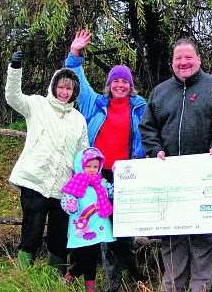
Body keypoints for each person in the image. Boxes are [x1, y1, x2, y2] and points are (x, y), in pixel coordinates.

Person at [139, 38, 212, 292]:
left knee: (203, 236)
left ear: (198, 59)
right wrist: (155, 150)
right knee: (172, 235)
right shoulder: (160, 91)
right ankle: (173, 286)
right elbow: (147, 127)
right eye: (178, 58)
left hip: (204, 176)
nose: (183, 62)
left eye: (188, 57)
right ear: (172, 63)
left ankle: (200, 287)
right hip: (170, 177)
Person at [64, 30, 146, 292]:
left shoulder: (140, 107)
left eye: (124, 82)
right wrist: (75, 53)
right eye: (115, 81)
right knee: (104, 226)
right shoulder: (94, 104)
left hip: (127, 173)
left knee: (125, 226)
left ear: (130, 85)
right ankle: (113, 282)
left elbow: (149, 133)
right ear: (109, 84)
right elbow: (76, 77)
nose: (119, 85)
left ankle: (132, 275)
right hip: (98, 176)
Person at [5, 51, 89, 272]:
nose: (64, 92)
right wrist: (15, 69)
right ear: (54, 86)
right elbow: (13, 97)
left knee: (59, 233)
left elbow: (82, 155)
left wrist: (79, 186)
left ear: (74, 92)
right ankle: (23, 272)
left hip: (64, 187)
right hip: (35, 180)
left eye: (69, 89)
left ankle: (55, 276)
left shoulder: (78, 119)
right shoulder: (37, 105)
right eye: (61, 87)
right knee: (32, 228)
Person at [61, 147, 115, 292]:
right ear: (81, 165)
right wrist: (70, 206)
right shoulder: (76, 182)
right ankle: (70, 275)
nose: (92, 169)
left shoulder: (101, 183)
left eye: (95, 166)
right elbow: (66, 200)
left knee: (91, 260)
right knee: (84, 260)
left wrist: (119, 174)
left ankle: (90, 289)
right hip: (81, 229)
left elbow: (113, 192)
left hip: (97, 228)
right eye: (88, 166)